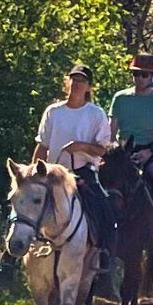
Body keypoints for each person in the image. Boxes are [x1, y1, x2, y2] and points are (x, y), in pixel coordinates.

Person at [33, 64, 116, 268]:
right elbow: (42, 146)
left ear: (89, 87)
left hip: (82, 172)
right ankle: (10, 261)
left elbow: (102, 150)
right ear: (67, 82)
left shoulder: (95, 114)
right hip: (52, 171)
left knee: (103, 207)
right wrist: (33, 172)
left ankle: (103, 256)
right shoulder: (53, 112)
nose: (77, 84)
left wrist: (81, 146)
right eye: (74, 79)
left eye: (82, 81)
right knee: (23, 203)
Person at [109, 52, 153, 233]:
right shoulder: (120, 98)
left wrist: (150, 152)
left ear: (152, 76)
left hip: (149, 150)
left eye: (144, 75)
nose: (139, 78)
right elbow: (111, 131)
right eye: (136, 74)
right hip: (123, 151)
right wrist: (116, 149)